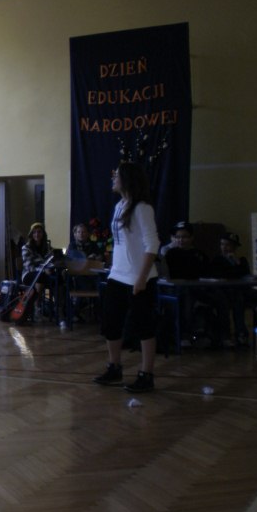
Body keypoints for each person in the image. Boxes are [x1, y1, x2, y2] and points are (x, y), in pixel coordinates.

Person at [93, 162, 159, 393]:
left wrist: (141, 278)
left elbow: (152, 244)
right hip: (117, 275)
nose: (113, 179)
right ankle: (114, 367)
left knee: (143, 326)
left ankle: (146, 374)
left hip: (140, 278)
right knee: (110, 323)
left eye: (117, 176)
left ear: (128, 180)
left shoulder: (142, 208)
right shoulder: (120, 206)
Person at [165, 220, 233, 347]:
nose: (181, 240)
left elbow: (207, 272)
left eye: (184, 237)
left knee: (221, 297)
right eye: (178, 237)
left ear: (191, 238)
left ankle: (225, 336)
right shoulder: (170, 254)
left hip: (200, 288)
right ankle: (185, 335)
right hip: (180, 290)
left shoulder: (199, 254)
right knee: (188, 298)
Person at [209, 231, 257, 346]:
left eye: (228, 245)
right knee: (238, 299)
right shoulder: (217, 260)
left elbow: (245, 274)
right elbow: (224, 275)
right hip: (227, 291)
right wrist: (235, 270)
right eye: (222, 244)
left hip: (244, 290)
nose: (225, 247)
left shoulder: (242, 260)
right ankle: (240, 333)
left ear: (235, 247)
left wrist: (237, 262)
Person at [22, 222, 65, 326]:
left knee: (59, 279)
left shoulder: (47, 247)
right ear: (31, 234)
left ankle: (59, 309)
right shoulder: (26, 247)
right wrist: (43, 269)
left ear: (43, 234)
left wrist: (55, 264)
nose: (37, 234)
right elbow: (29, 266)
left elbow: (51, 261)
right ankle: (37, 309)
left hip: (45, 273)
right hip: (29, 274)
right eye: (34, 232)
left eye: (39, 232)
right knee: (40, 279)